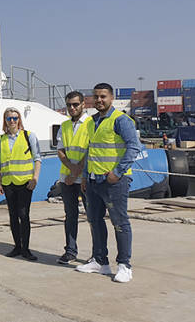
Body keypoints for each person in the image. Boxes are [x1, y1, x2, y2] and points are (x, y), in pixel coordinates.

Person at [75, 83, 140, 283]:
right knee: (94, 221)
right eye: (96, 97)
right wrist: (85, 176)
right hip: (94, 181)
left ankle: (124, 265)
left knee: (120, 223)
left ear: (111, 98)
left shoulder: (121, 120)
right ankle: (100, 261)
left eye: (103, 96)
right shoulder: (92, 121)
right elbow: (91, 151)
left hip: (114, 182)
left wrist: (117, 172)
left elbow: (134, 147)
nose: (99, 100)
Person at [0, 107, 42, 261]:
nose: (12, 121)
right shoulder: (1, 140)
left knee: (24, 214)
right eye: (9, 118)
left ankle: (26, 248)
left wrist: (34, 178)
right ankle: (17, 246)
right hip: (8, 182)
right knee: (13, 215)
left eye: (15, 118)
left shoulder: (28, 136)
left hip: (24, 182)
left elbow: (37, 158)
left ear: (19, 120)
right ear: (5, 121)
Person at [56, 91, 91, 265]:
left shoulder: (91, 124)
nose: (72, 108)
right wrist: (71, 171)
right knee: (70, 215)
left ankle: (97, 253)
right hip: (67, 179)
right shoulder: (64, 126)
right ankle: (70, 251)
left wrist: (77, 172)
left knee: (93, 216)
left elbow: (91, 150)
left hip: (85, 177)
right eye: (69, 105)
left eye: (76, 104)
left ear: (83, 104)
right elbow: (61, 151)